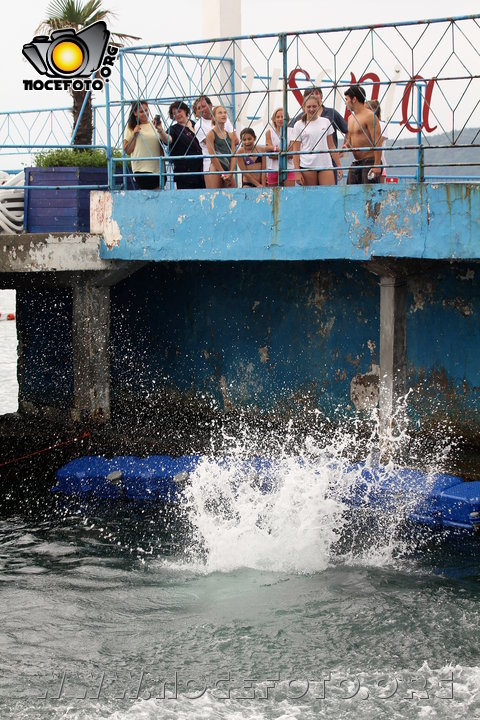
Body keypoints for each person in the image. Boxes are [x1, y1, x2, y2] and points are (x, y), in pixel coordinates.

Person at [292, 94, 342, 186]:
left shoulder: (326, 122)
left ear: (319, 106)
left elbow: (331, 146)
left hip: (325, 164)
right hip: (307, 165)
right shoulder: (298, 125)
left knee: (328, 195)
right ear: (304, 108)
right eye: (309, 107)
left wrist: (339, 165)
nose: (311, 109)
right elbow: (295, 150)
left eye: (314, 106)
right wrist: (297, 172)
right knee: (311, 197)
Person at [156, 101, 205, 189]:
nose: (177, 115)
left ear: (185, 111)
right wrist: (160, 130)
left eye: (179, 111)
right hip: (185, 173)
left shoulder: (196, 125)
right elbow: (168, 139)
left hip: (202, 170)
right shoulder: (174, 129)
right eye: (174, 113)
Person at [344, 85, 382, 184]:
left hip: (369, 160)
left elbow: (377, 140)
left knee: (368, 196)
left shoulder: (369, 116)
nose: (346, 103)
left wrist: (377, 164)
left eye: (347, 99)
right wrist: (346, 146)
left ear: (354, 99)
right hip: (356, 161)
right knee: (351, 194)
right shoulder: (350, 118)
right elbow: (350, 138)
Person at [123, 100, 164, 189]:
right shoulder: (131, 127)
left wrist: (163, 167)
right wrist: (134, 134)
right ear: (135, 113)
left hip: (157, 169)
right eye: (141, 111)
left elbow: (160, 146)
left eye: (146, 110)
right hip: (141, 169)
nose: (145, 113)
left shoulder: (154, 125)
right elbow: (127, 150)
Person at [192, 96, 234, 179]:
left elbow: (235, 140)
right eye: (199, 108)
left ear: (210, 105)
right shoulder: (199, 125)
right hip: (211, 165)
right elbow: (212, 147)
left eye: (203, 106)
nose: (202, 110)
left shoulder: (224, 119)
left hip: (227, 163)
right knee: (214, 191)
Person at [205, 106, 237, 188]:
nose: (223, 115)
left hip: (228, 167)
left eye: (225, 112)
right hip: (216, 167)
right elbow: (212, 156)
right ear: (214, 117)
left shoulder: (230, 135)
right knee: (216, 195)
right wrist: (223, 172)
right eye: (220, 113)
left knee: (232, 194)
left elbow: (233, 155)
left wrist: (231, 172)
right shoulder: (211, 134)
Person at [264, 108, 296, 187]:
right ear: (274, 119)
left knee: (289, 195)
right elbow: (269, 154)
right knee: (273, 195)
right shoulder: (269, 132)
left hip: (289, 168)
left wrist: (274, 151)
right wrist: (278, 150)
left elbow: (291, 154)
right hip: (273, 168)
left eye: (282, 117)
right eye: (278, 117)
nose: (280, 119)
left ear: (287, 119)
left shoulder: (292, 131)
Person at [368, 99, 387, 183]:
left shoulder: (382, 125)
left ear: (374, 109)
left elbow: (378, 141)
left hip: (379, 161)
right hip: (366, 162)